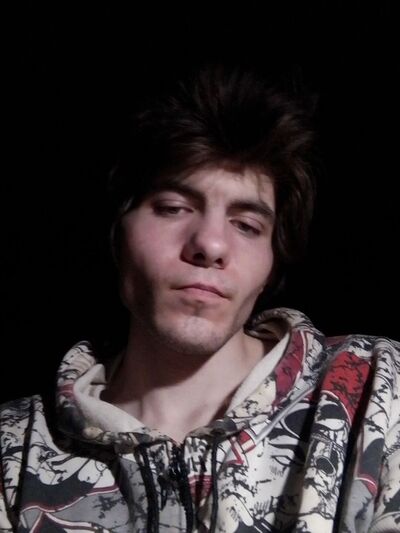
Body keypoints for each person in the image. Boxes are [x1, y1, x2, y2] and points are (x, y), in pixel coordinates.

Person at [1, 64, 399, 533]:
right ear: (116, 234)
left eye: (247, 225)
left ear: (272, 263)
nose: (209, 244)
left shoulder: (375, 391)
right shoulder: (15, 452)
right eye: (173, 208)